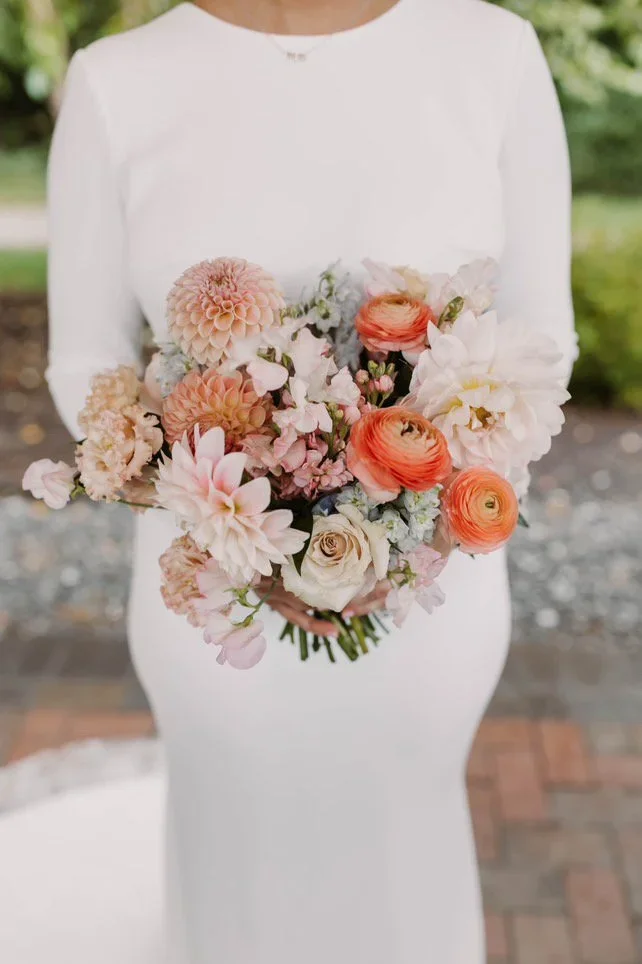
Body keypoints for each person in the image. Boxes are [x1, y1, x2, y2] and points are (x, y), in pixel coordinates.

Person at [3, 2, 577, 962]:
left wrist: (401, 526)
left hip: (430, 591)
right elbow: (87, 360)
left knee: (404, 855)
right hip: (214, 589)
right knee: (236, 861)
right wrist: (222, 510)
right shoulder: (116, 81)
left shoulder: (494, 54)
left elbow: (539, 343)